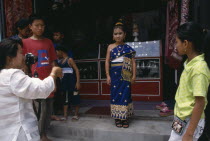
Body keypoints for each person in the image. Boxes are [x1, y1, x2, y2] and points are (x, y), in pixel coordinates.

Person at [0, 38, 62, 141]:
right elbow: (41, 89)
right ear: (9, 58)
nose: (24, 57)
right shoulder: (13, 75)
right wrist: (53, 73)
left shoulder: (3, 75)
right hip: (20, 133)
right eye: (20, 53)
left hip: (6, 132)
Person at [168, 22, 210, 141]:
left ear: (186, 43)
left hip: (189, 121)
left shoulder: (199, 69)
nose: (176, 46)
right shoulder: (189, 64)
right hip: (180, 119)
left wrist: (190, 133)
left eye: (177, 42)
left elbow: (200, 102)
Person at [22, 15, 57, 141]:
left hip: (48, 80)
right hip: (34, 82)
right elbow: (23, 64)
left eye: (42, 25)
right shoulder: (25, 43)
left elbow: (53, 62)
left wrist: (54, 80)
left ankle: (43, 134)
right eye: (37, 25)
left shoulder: (48, 42)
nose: (40, 28)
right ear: (30, 27)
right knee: (39, 109)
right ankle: (40, 136)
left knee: (48, 110)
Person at [105, 21, 136, 128]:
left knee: (126, 95)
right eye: (115, 34)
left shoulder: (128, 48)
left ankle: (125, 117)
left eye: (120, 33)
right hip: (114, 75)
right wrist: (108, 75)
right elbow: (107, 61)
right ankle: (117, 118)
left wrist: (134, 75)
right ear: (113, 36)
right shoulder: (110, 47)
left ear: (124, 35)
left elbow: (133, 62)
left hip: (126, 75)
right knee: (115, 95)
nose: (118, 35)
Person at [55, 45, 81, 121]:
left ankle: (76, 115)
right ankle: (65, 115)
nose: (56, 53)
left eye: (57, 51)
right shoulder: (59, 61)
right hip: (64, 84)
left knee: (75, 98)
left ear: (61, 51)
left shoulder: (69, 60)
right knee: (65, 99)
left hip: (72, 83)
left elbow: (76, 70)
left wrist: (78, 82)